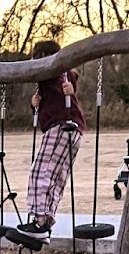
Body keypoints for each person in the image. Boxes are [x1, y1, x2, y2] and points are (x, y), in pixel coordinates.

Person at [22, 40, 86, 235]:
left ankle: (39, 220)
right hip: (73, 130)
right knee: (57, 177)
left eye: (37, 56)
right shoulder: (56, 78)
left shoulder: (55, 74)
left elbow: (66, 83)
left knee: (40, 172)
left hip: (61, 126)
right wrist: (35, 104)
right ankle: (46, 222)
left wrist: (71, 89)